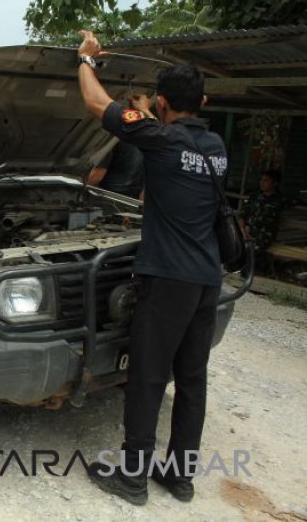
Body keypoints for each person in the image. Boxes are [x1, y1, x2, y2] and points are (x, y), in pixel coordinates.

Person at [77, 30, 227, 505]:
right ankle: (180, 477)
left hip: (168, 280)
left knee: (146, 376)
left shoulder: (157, 139)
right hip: (207, 279)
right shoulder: (218, 149)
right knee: (192, 379)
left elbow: (94, 101)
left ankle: (133, 477)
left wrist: (86, 59)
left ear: (160, 103)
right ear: (201, 101)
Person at [238, 170, 286, 257]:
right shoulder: (254, 196)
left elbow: (269, 223)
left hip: (263, 237)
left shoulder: (279, 201)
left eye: (266, 180)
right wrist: (242, 231)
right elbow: (242, 215)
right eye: (261, 180)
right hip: (246, 233)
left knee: (247, 250)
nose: (262, 183)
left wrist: (249, 233)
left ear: (274, 183)